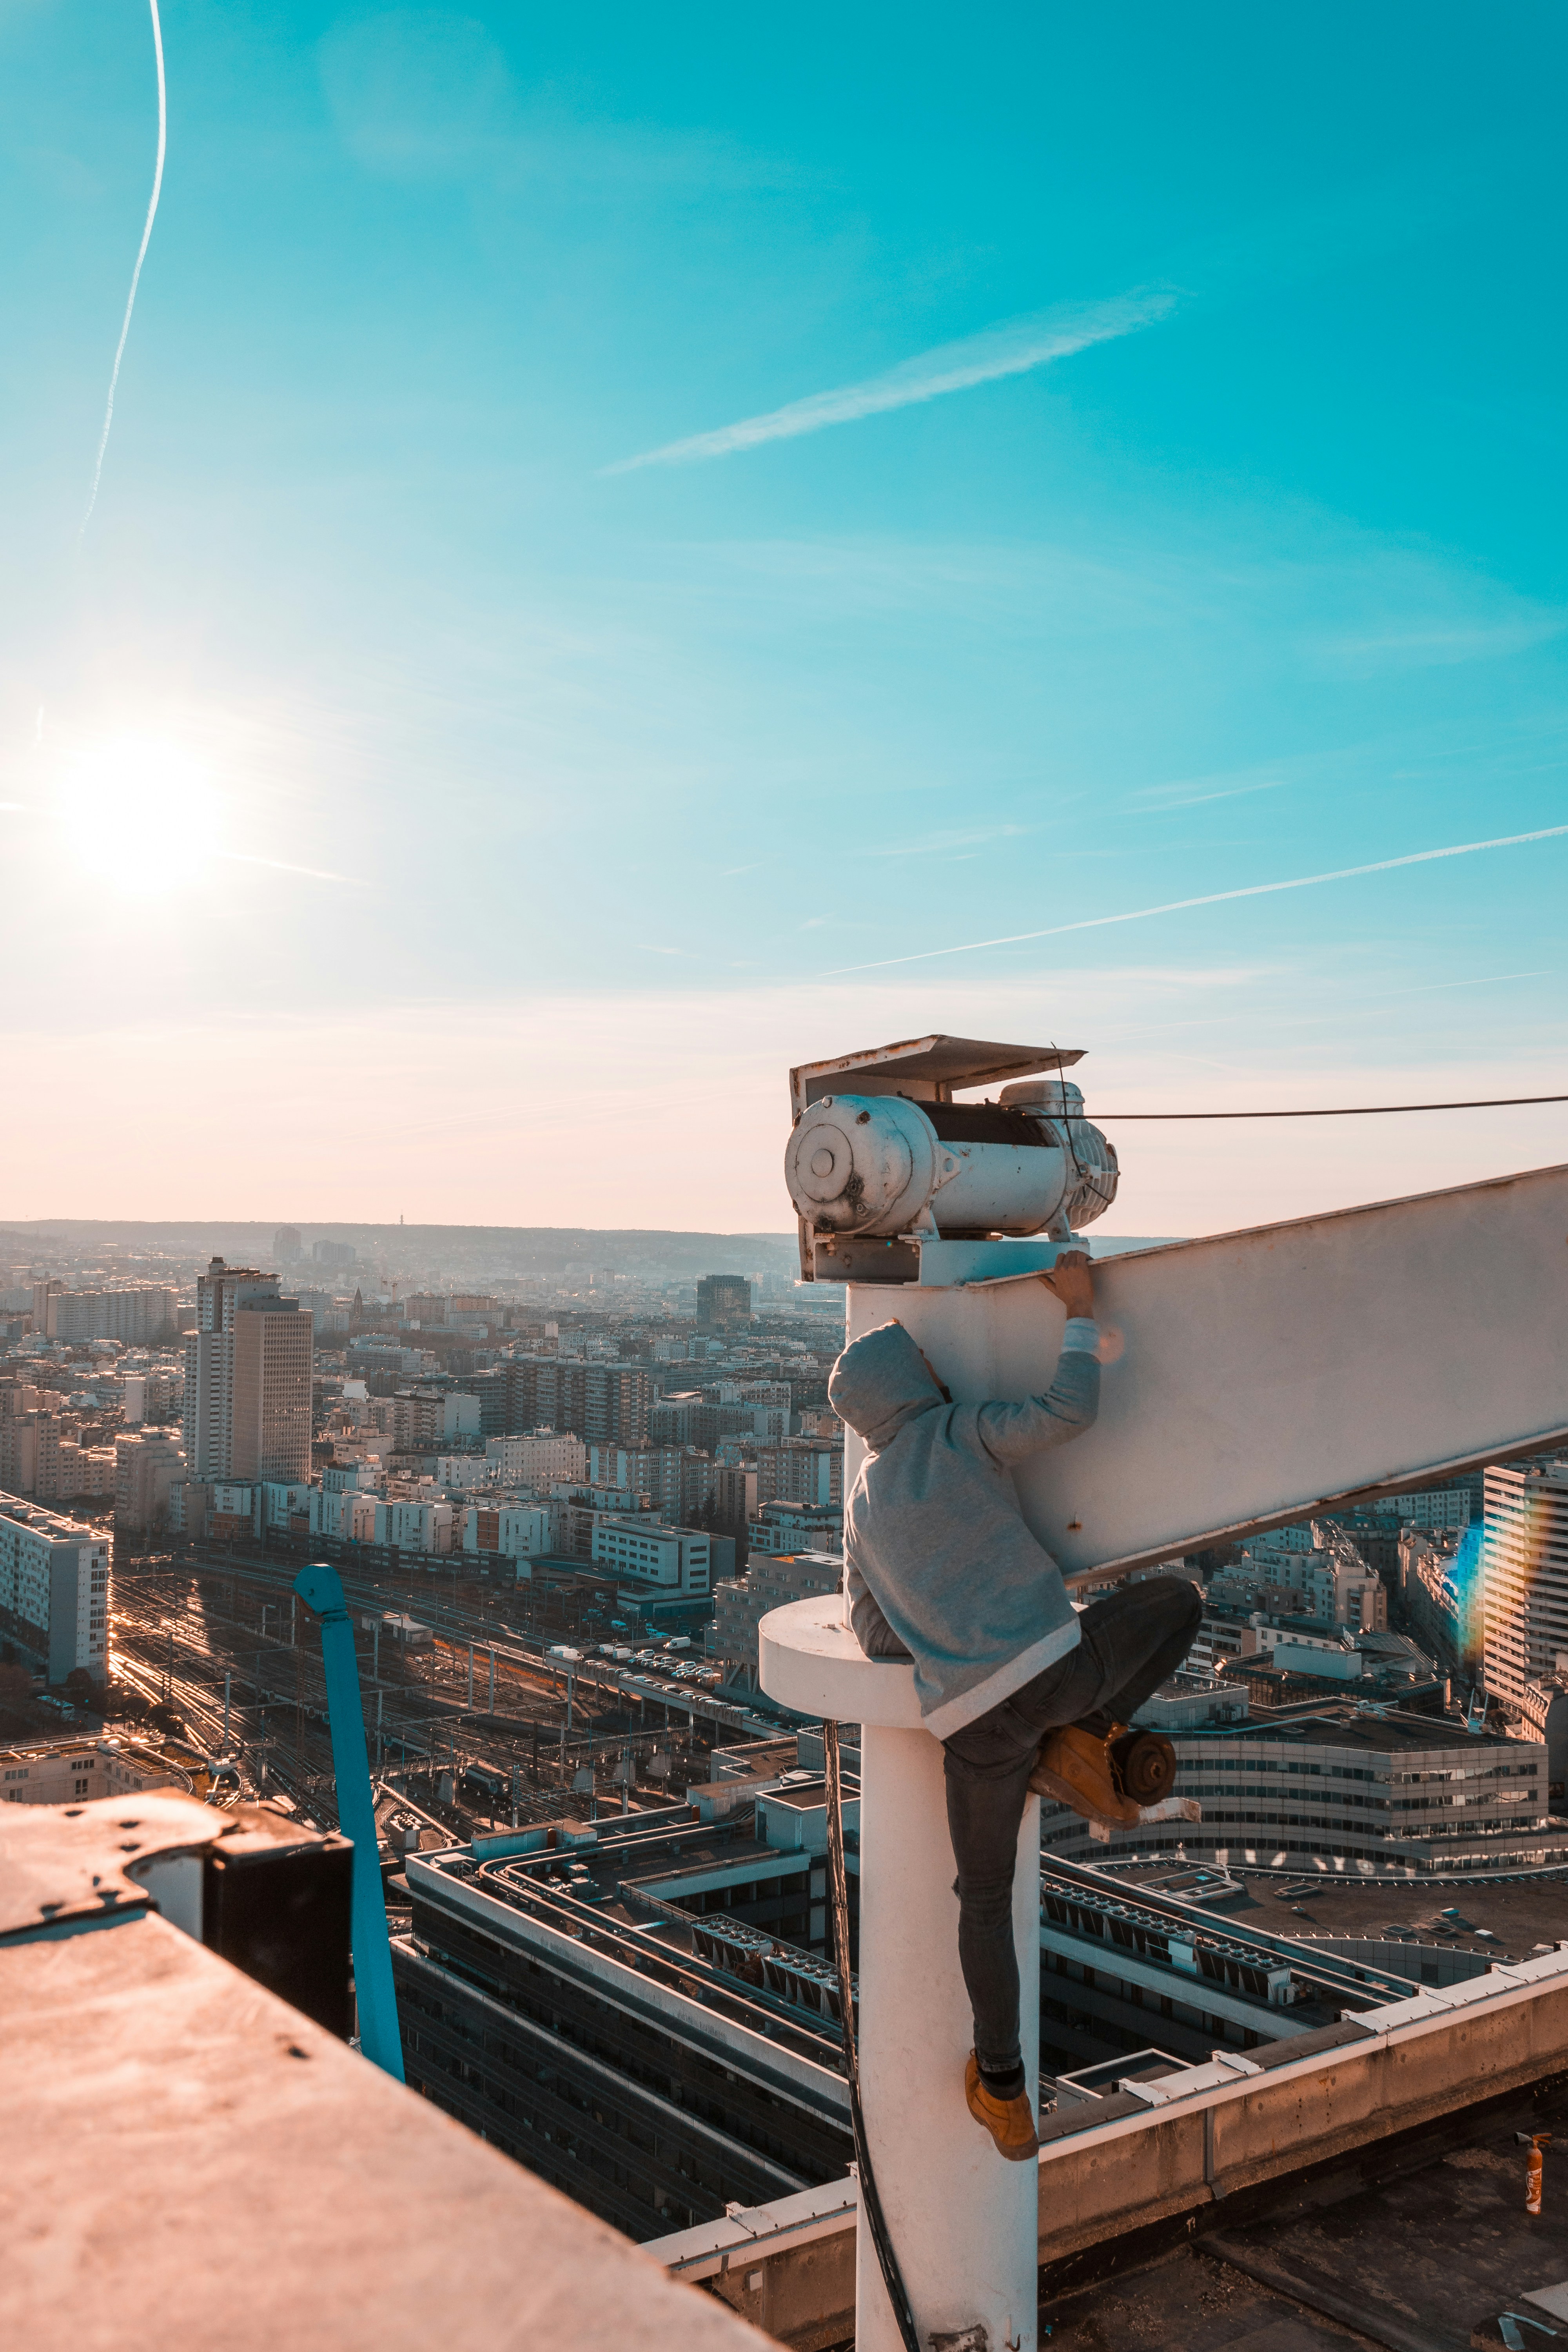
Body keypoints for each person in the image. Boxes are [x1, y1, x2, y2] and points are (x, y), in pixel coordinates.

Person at [826, 1250, 1201, 2163]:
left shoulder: (863, 1508)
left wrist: (944, 1627)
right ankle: (1089, 1740)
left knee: (981, 1901)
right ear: (910, 1385)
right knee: (1179, 1601)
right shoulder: (956, 1432)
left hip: (970, 1728)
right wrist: (1078, 1313)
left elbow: (875, 1637)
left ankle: (1002, 2088)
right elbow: (1067, 1411)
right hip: (1051, 1671)